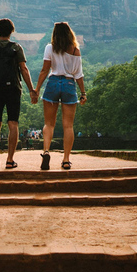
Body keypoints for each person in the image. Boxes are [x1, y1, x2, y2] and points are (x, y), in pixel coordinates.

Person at [0, 18, 38, 169]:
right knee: (13, 123)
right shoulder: (16, 48)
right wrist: (31, 89)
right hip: (13, 89)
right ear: (11, 31)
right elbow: (24, 70)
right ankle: (10, 160)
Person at [34, 21, 87, 170]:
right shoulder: (75, 50)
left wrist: (36, 89)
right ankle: (66, 160)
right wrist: (83, 93)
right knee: (68, 126)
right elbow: (78, 74)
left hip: (53, 82)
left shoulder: (50, 48)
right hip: (69, 84)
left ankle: (46, 151)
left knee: (49, 123)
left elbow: (45, 70)